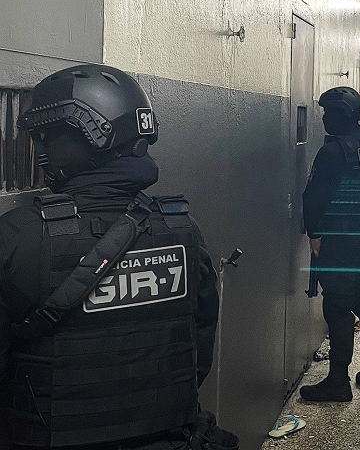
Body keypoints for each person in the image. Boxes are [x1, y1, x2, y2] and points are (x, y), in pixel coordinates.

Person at [0, 65, 225, 449]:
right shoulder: (183, 231)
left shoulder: (20, 236)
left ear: (87, 136)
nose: (41, 149)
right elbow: (197, 353)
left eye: (47, 136)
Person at [300, 87, 360, 401]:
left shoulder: (333, 151)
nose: (325, 117)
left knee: (337, 307)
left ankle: (338, 381)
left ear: (339, 116)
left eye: (328, 113)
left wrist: (314, 234)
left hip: (339, 237)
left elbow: (313, 198)